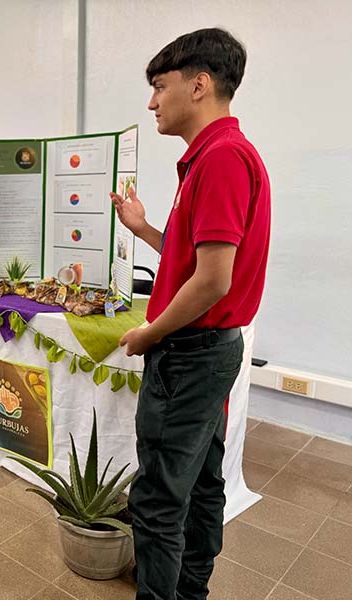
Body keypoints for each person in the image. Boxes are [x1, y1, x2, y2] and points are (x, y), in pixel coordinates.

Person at [110, 28, 271, 599]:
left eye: (159, 86)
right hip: (206, 351)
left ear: (198, 84)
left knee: (157, 499)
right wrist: (143, 228)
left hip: (189, 354)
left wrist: (149, 332)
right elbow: (192, 264)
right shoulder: (214, 158)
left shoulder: (222, 160)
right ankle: (189, 592)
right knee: (202, 482)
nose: (152, 102)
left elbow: (211, 282)